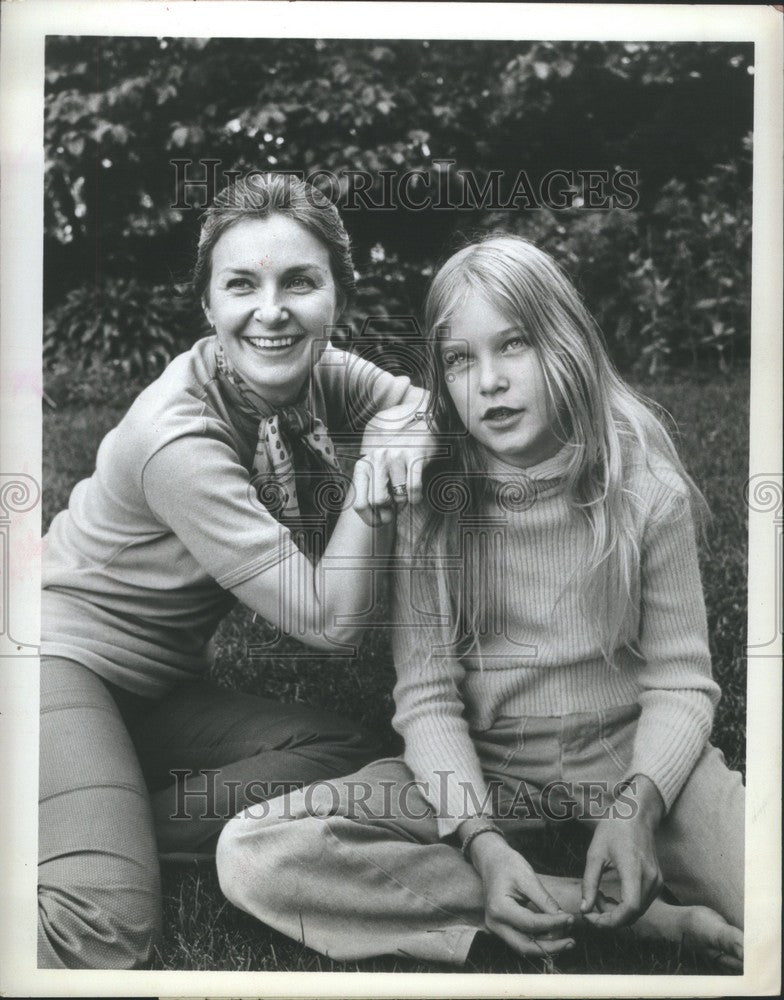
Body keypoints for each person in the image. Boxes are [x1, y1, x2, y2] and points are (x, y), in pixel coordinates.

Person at [216, 234, 745, 971]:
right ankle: (592, 908)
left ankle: (621, 858)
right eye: (461, 360)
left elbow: (683, 681)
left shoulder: (643, 485)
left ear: (565, 346)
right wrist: (481, 839)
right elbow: (428, 698)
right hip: (487, 768)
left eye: (514, 345)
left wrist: (638, 806)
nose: (489, 381)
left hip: (633, 759)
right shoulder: (433, 499)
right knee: (256, 851)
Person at [38, 173, 435, 969]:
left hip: (150, 689)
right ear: (209, 306)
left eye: (300, 282)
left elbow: (423, 403)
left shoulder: (311, 370)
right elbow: (329, 622)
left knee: (347, 754)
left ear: (337, 298)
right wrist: (372, 479)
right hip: (48, 663)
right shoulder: (177, 439)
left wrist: (405, 426)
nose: (272, 310)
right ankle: (86, 842)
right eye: (242, 285)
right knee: (102, 923)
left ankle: (86, 822)